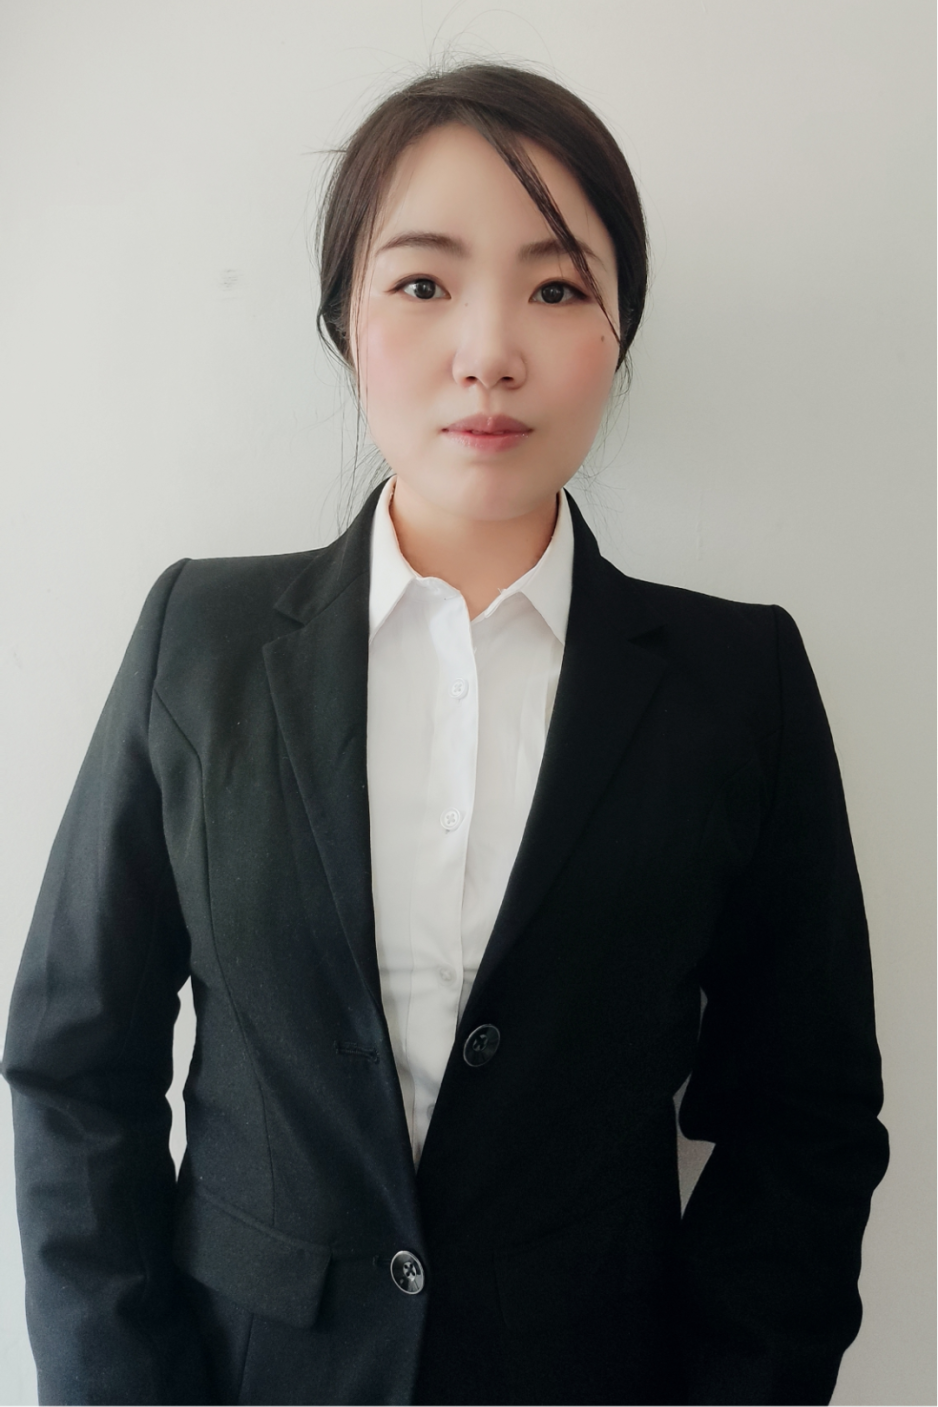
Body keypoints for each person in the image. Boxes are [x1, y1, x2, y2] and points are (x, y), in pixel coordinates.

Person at [2, 61, 888, 1407]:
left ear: (618, 335)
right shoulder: (202, 641)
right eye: (423, 282)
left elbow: (803, 1117)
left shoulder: (737, 683)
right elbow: (75, 1063)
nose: (488, 351)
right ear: (346, 320)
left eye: (556, 288)